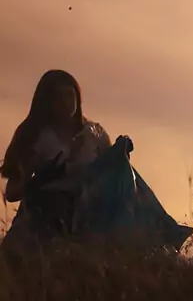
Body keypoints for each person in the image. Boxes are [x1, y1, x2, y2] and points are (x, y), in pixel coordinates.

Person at [1, 70, 112, 241]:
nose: (65, 102)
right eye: (57, 98)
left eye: (69, 95)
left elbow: (111, 176)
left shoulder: (96, 134)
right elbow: (12, 192)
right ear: (46, 102)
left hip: (88, 222)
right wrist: (47, 176)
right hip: (42, 222)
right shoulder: (36, 137)